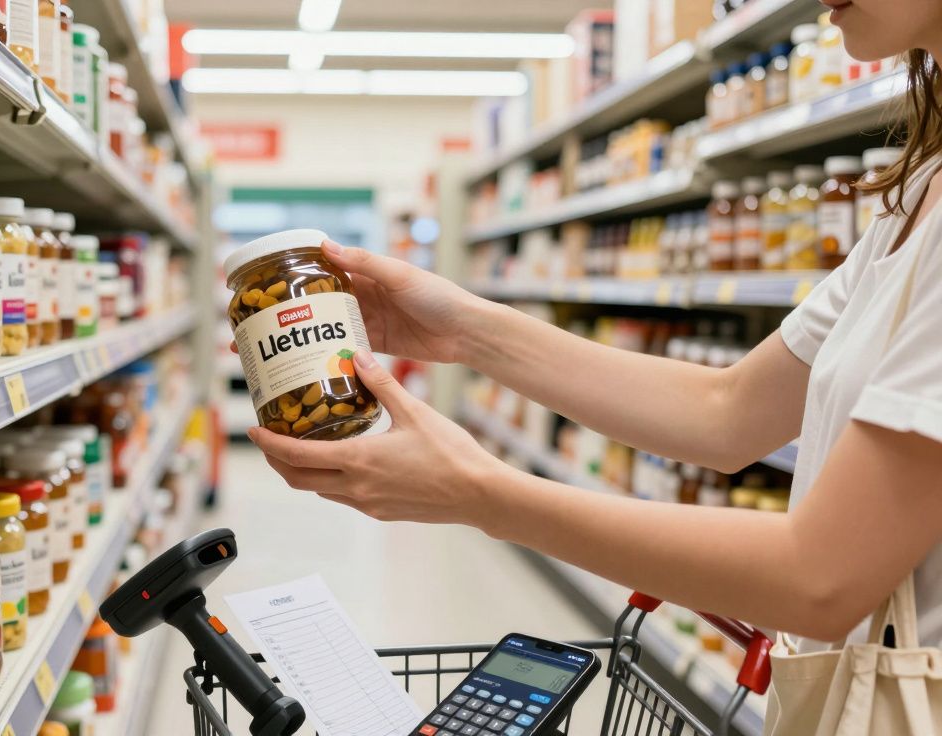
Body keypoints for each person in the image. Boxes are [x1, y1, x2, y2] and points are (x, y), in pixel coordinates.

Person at [247, 0, 942, 651]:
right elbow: (726, 413)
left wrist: (480, 492)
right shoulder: (917, 195)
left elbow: (817, 579)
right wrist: (464, 330)